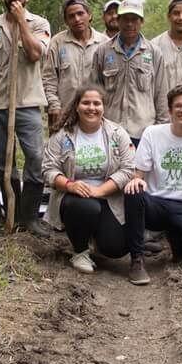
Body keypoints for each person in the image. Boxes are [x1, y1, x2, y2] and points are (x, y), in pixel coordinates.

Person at [0, 0, 52, 235]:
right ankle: (12, 212)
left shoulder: (39, 23)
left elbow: (34, 54)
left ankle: (30, 217)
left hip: (28, 103)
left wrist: (21, 22)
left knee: (36, 159)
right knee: (1, 162)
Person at [123, 85, 182, 285]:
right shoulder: (152, 133)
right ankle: (137, 259)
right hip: (154, 204)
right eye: (178, 106)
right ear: (170, 111)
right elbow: (139, 174)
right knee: (134, 191)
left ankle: (177, 243)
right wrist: (135, 180)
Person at [42, 85, 135, 274]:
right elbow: (48, 169)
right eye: (86, 103)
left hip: (108, 196)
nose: (91, 108)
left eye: (96, 103)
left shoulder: (117, 133)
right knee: (86, 207)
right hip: (74, 197)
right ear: (77, 106)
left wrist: (100, 191)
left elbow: (129, 168)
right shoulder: (62, 136)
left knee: (116, 248)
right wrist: (70, 185)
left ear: (103, 107)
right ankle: (80, 250)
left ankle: (95, 238)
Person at [90, 0, 166, 147]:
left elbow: (161, 93)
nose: (130, 24)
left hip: (144, 131)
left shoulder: (154, 52)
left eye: (134, 19)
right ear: (118, 20)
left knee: (140, 170)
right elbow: (94, 89)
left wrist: (161, 128)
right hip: (110, 128)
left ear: (142, 22)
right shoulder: (103, 51)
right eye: (125, 19)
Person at [43, 0, 108, 133]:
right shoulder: (57, 42)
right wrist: (54, 106)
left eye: (80, 13)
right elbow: (49, 79)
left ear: (89, 15)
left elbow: (109, 83)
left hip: (94, 114)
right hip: (63, 113)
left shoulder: (105, 43)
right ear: (66, 20)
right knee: (61, 152)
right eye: (71, 16)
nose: (77, 19)